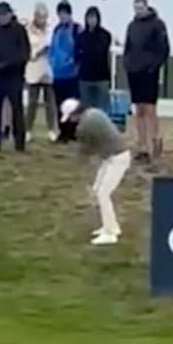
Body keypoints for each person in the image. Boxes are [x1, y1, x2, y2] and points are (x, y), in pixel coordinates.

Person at [59, 97, 132, 246]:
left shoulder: (84, 127)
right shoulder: (94, 112)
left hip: (117, 159)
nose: (71, 121)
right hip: (114, 157)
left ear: (74, 114)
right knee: (98, 190)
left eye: (70, 118)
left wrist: (78, 167)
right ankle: (110, 226)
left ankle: (110, 234)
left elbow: (85, 152)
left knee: (102, 194)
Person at [123, 0, 170, 163]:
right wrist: (127, 64)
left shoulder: (157, 24)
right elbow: (127, 47)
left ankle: (154, 142)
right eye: (135, 8)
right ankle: (142, 146)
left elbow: (164, 49)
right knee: (139, 110)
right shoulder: (132, 26)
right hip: (134, 72)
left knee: (150, 109)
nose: (138, 11)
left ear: (146, 7)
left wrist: (153, 66)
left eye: (140, 8)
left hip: (149, 73)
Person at [0, 1, 30, 153]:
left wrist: (9, 64)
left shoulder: (19, 30)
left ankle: (19, 144)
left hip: (13, 76)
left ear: (10, 14)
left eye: (4, 15)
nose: (1, 18)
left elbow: (24, 53)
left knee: (17, 110)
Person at [22, 2, 55, 140]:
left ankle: (52, 130)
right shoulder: (27, 30)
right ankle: (28, 130)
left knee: (50, 102)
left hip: (47, 69)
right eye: (40, 16)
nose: (42, 20)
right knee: (32, 102)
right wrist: (36, 53)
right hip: (33, 69)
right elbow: (26, 49)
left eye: (44, 17)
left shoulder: (50, 30)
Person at [48, 0, 81, 140]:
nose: (62, 17)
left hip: (72, 74)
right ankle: (63, 131)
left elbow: (80, 50)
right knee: (59, 104)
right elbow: (52, 49)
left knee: (71, 105)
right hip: (58, 74)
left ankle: (72, 132)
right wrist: (52, 62)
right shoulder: (57, 29)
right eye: (60, 14)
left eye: (64, 14)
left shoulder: (76, 29)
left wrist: (75, 64)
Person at [75, 6, 114, 116]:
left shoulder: (105, 35)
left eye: (94, 18)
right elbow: (76, 54)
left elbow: (100, 52)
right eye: (89, 18)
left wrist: (86, 51)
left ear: (98, 19)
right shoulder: (81, 36)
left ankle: (100, 132)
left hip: (101, 78)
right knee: (86, 111)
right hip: (85, 78)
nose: (91, 20)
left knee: (101, 111)